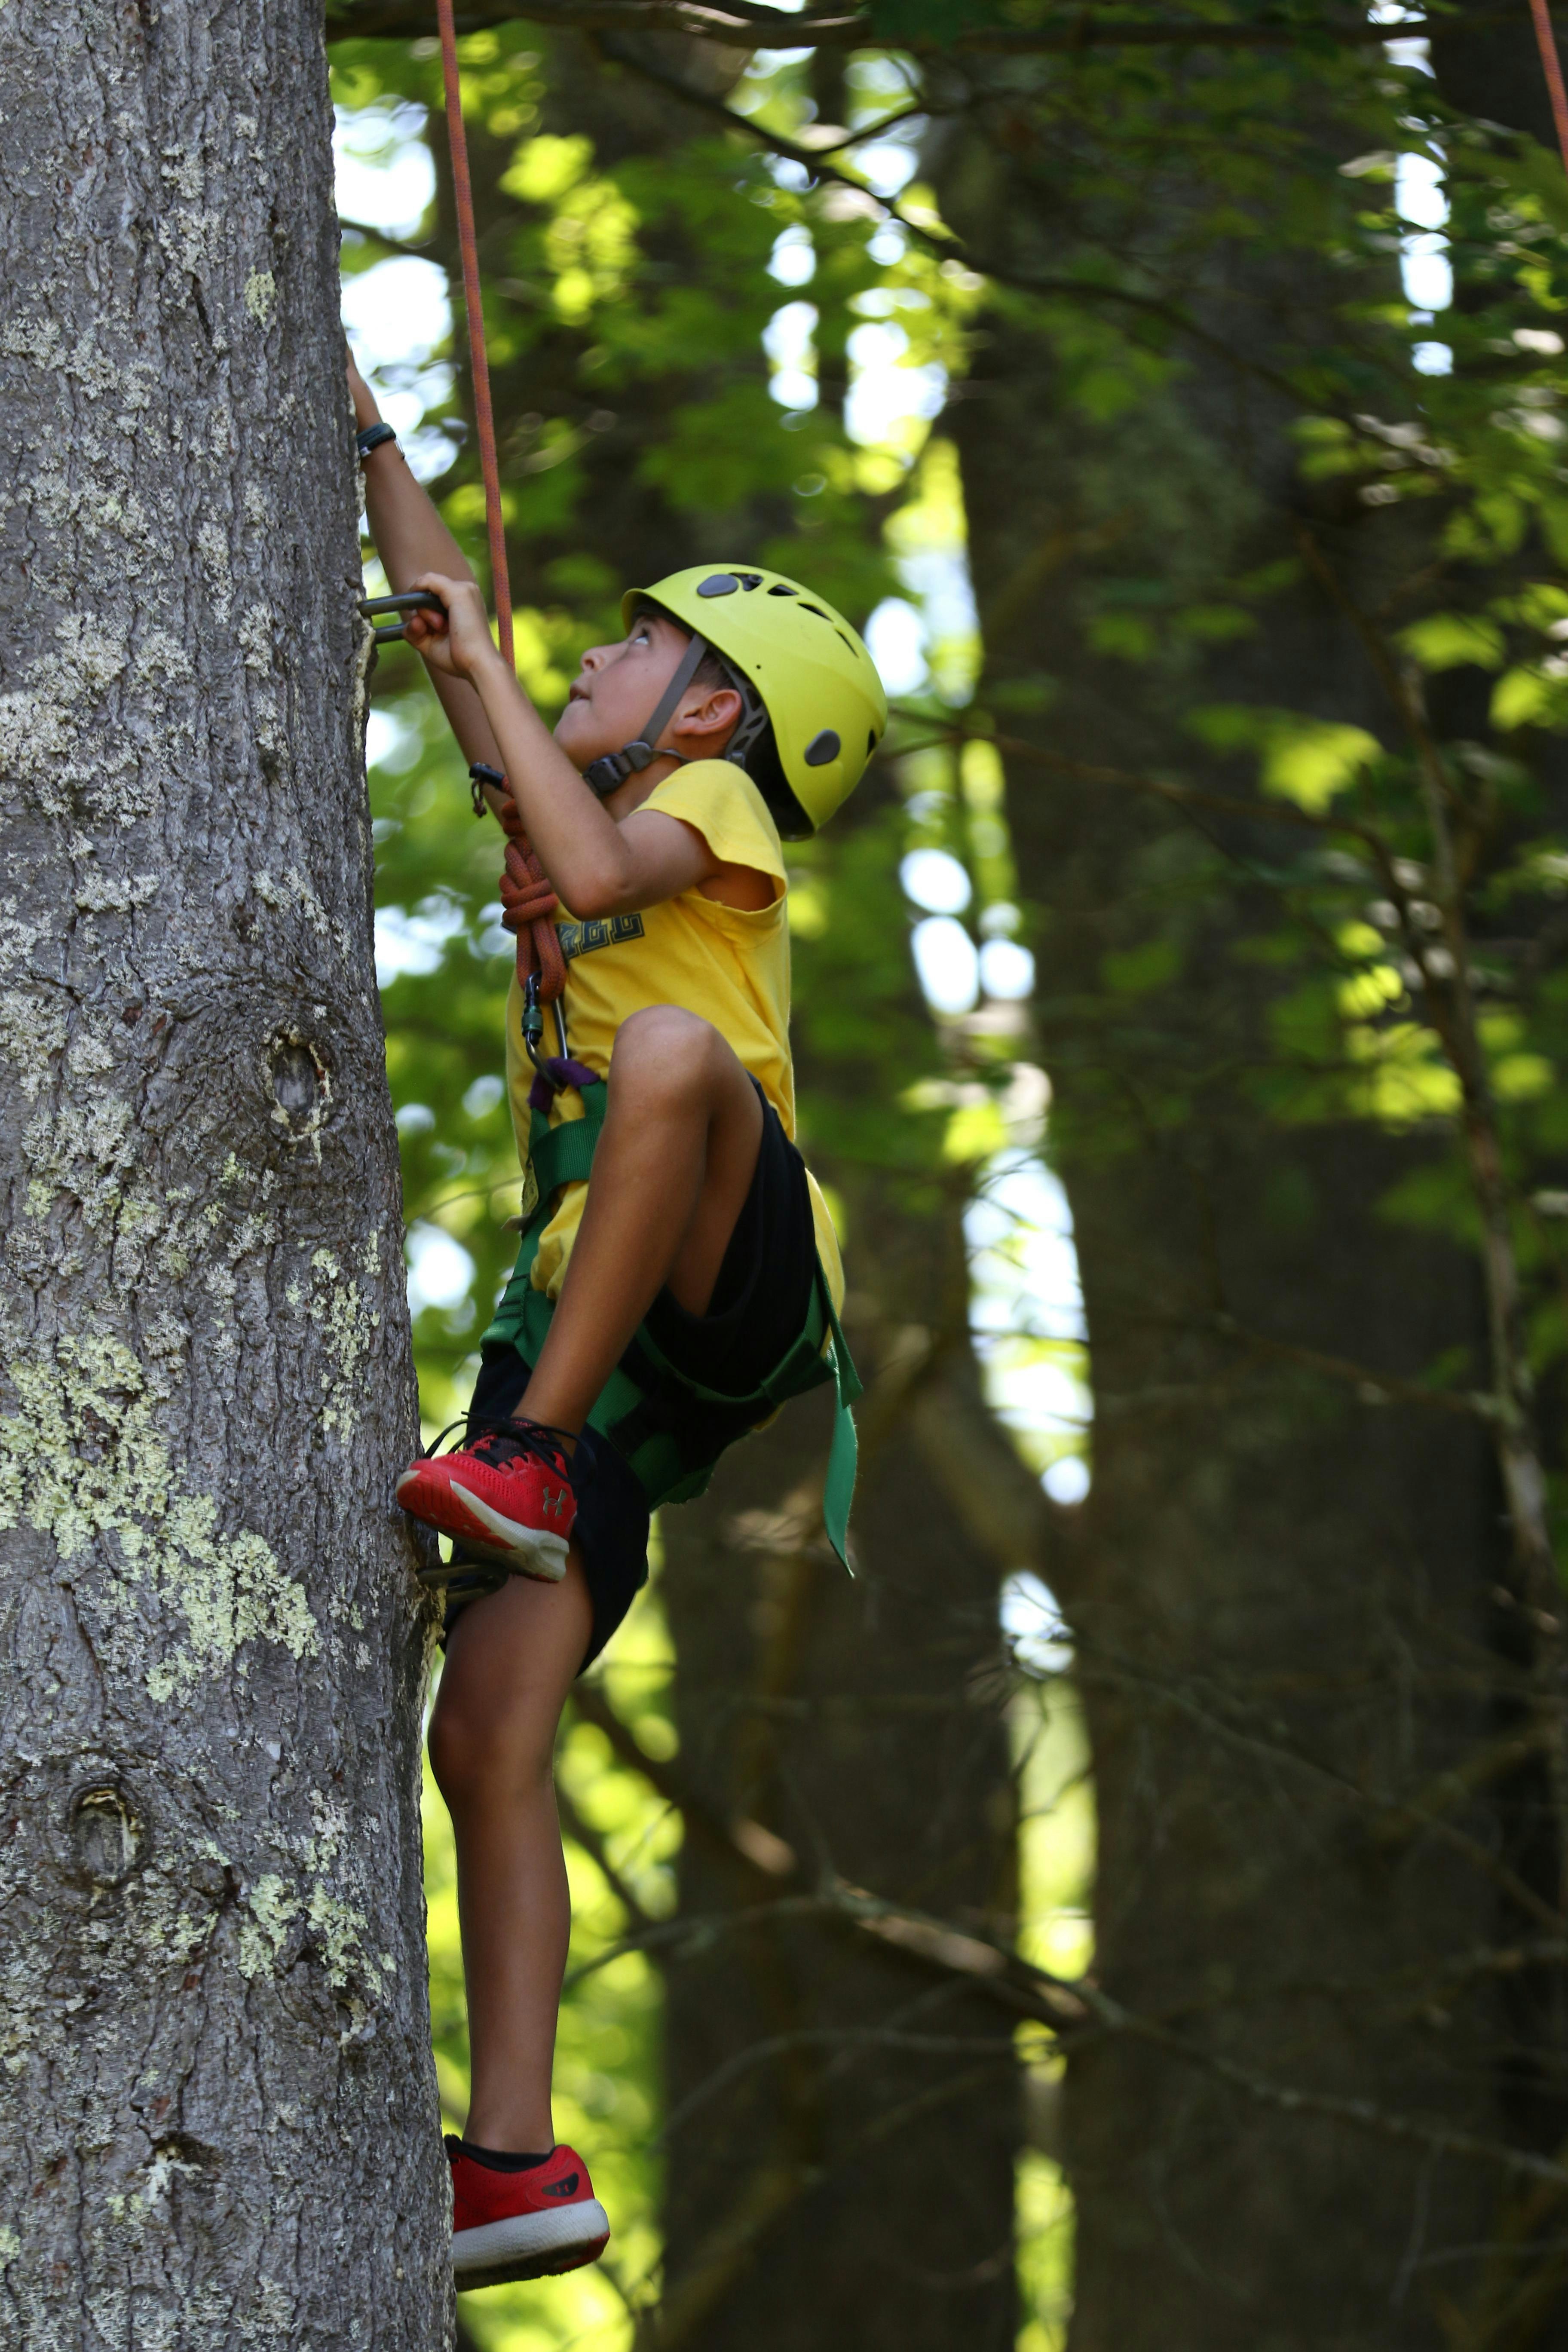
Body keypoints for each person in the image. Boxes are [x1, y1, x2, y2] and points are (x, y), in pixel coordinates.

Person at [348, 355, 886, 2291]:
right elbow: (451, 635)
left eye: (640, 645)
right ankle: (514, 2161)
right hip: (591, 1338)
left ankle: (521, 1462)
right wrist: (374, 443)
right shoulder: (596, 787)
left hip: (722, 1262)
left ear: (718, 713)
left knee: (663, 1046)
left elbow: (589, 873)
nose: (595, 654)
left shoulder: (709, 803)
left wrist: (506, 713)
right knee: (486, 1729)